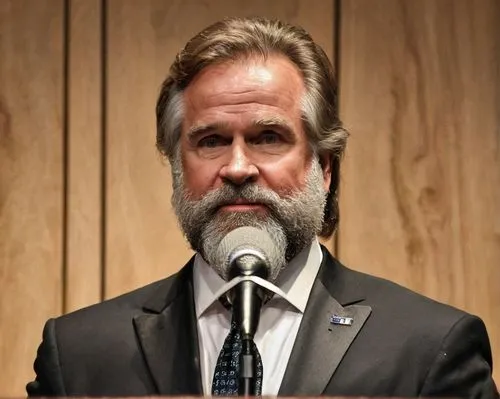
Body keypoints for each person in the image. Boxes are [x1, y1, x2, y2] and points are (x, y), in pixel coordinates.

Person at [27, 17, 498, 398]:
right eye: (210, 141)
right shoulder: (79, 355)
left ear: (325, 166)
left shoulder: (429, 346)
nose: (237, 167)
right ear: (176, 166)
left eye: (267, 138)